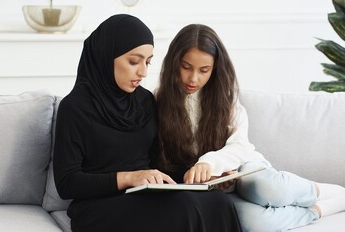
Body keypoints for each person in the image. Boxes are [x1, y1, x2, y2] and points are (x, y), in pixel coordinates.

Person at [155, 23, 345, 231]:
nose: (193, 78)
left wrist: (210, 163)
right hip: (214, 188)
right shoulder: (158, 101)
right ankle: (320, 209)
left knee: (266, 188)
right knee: (252, 224)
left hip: (244, 167)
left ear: (215, 68)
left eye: (204, 70)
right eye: (186, 67)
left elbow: (240, 146)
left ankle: (319, 191)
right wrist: (204, 177)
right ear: (174, 63)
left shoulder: (225, 99)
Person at [53, 14, 242, 232]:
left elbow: (157, 165)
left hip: (144, 196)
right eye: (134, 61)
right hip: (97, 206)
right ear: (106, 55)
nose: (143, 72)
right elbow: (67, 183)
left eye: (148, 61)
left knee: (220, 203)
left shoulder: (145, 101)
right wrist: (129, 178)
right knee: (183, 207)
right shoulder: (74, 108)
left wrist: (200, 178)